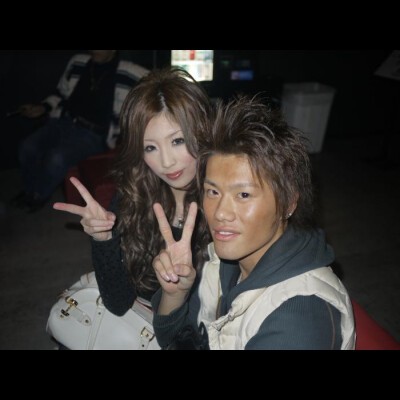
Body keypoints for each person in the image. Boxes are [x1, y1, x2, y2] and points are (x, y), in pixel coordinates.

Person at [151, 95, 356, 350]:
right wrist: (175, 294)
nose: (220, 213)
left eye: (244, 195)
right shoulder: (221, 263)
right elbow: (173, 341)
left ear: (289, 204)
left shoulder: (299, 320)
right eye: (213, 191)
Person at [53, 67, 212, 318]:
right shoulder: (135, 195)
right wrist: (104, 239)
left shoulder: (226, 203)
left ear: (202, 133)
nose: (166, 162)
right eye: (150, 147)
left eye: (177, 141)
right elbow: (118, 303)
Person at [14, 50, 149, 212]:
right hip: (63, 122)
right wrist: (43, 107)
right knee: (27, 147)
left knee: (56, 158)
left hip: (94, 134)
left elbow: (157, 82)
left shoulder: (128, 71)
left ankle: (37, 196)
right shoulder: (77, 62)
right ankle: (29, 190)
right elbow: (60, 93)